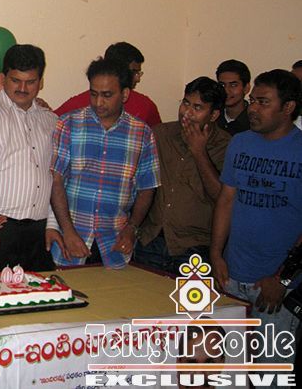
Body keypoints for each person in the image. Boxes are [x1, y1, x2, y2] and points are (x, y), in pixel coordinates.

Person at [211, 69, 301, 376]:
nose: (253, 108)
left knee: (270, 374)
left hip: (275, 288)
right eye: (253, 101)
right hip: (232, 277)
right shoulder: (241, 143)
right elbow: (226, 200)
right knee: (229, 371)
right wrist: (216, 254)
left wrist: (282, 278)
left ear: (288, 107)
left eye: (263, 102)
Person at [0, 44, 63, 274]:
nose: (23, 88)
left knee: (35, 295)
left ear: (41, 82)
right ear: (4, 78)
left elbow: (53, 176)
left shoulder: (50, 120)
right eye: (16, 80)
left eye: (30, 82)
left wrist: (52, 224)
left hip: (37, 233)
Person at [50, 57, 160, 269]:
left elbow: (147, 188)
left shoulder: (142, 133)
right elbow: (56, 180)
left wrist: (132, 228)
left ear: (125, 94)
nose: (98, 102)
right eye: (93, 94)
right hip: (70, 241)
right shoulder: (69, 124)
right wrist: (68, 231)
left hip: (115, 242)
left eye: (107, 95)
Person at [135, 77, 231, 275]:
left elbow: (221, 197)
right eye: (186, 103)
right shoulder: (161, 134)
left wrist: (199, 152)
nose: (187, 112)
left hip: (194, 247)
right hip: (151, 240)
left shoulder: (226, 146)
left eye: (197, 107)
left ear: (214, 115)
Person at [55, 42, 162, 127]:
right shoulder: (78, 105)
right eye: (134, 72)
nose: (138, 78)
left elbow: (160, 139)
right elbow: (52, 123)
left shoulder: (145, 106)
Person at [215, 59, 251, 135]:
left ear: (246, 88)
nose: (226, 91)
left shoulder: (254, 121)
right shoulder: (212, 118)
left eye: (233, 85)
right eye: (222, 85)